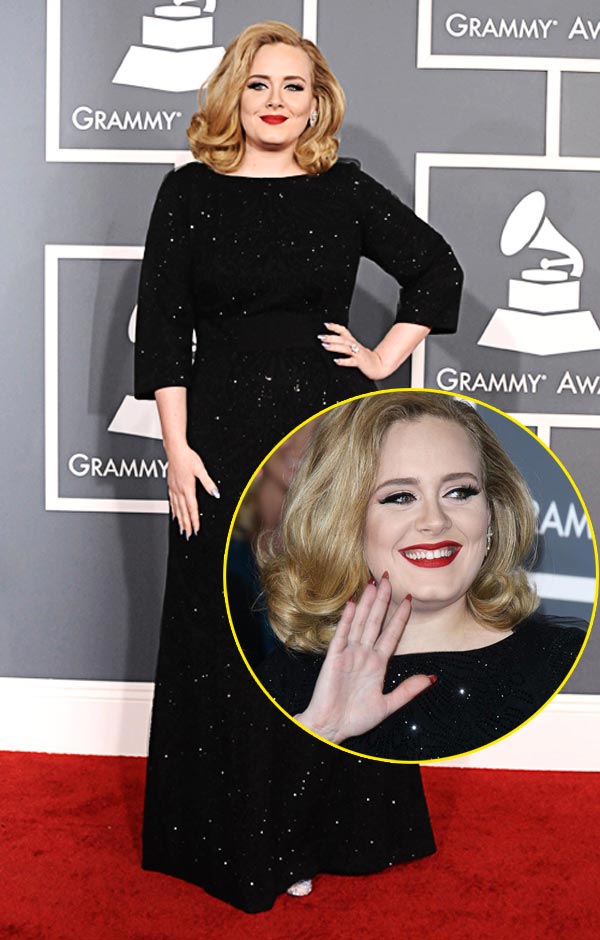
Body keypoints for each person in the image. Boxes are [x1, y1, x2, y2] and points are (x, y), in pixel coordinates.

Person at [134, 20, 462, 912]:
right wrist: (176, 450)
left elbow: (436, 269)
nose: (276, 102)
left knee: (315, 622)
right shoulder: (188, 193)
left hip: (324, 435)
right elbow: (163, 330)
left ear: (317, 104)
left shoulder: (341, 190)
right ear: (233, 95)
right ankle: (237, 839)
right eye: (260, 84)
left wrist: (383, 355)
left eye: (295, 87)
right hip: (220, 434)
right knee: (225, 627)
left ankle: (315, 835)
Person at [255, 392, 588, 761]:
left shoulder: (571, 664)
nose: (434, 521)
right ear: (346, 522)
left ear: (492, 513)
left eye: (458, 492)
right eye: (400, 497)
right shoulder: (286, 683)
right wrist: (320, 731)